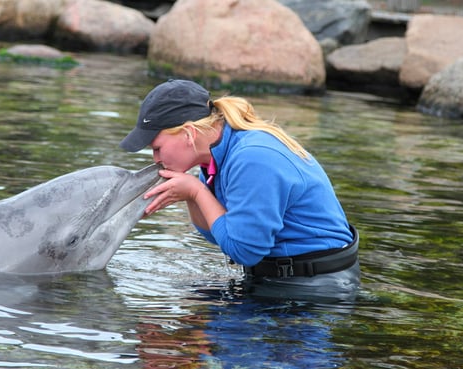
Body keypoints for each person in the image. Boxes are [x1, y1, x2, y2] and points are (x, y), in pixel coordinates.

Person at [120, 79, 359, 300]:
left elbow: (244, 251)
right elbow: (219, 236)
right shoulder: (218, 155)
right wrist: (189, 196)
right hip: (283, 279)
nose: (155, 159)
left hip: (315, 290)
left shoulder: (252, 158)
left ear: (188, 134)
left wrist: (196, 192)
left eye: (157, 148)